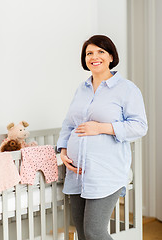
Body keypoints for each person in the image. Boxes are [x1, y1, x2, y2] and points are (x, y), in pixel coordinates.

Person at [57, 35, 148, 240]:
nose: (94, 57)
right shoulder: (82, 89)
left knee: (95, 232)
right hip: (77, 173)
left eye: (100, 52)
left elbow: (140, 126)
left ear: (111, 57)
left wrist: (101, 128)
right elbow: (69, 123)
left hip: (106, 172)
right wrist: (63, 150)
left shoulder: (126, 89)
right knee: (82, 233)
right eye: (89, 53)